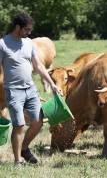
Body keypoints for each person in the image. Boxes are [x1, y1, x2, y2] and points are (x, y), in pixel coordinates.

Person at [0, 12, 59, 165]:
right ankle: (17, 160)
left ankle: (24, 148)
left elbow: (38, 65)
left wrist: (52, 84)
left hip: (30, 89)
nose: (29, 33)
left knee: (38, 121)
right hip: (13, 90)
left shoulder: (28, 43)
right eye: (26, 29)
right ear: (18, 27)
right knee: (19, 125)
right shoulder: (3, 44)